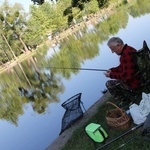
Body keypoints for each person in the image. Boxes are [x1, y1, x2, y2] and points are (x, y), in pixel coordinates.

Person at [104, 37, 141, 106]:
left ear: (119, 45)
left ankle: (125, 101)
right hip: (140, 76)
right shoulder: (129, 49)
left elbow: (126, 76)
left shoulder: (126, 55)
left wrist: (111, 75)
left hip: (136, 82)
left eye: (113, 49)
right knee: (116, 77)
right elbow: (122, 67)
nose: (113, 52)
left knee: (109, 84)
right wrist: (112, 70)